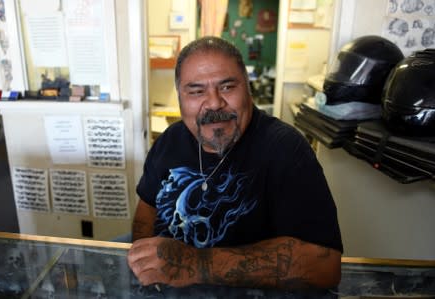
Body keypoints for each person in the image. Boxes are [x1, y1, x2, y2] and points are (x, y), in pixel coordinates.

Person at [127, 36, 342, 290]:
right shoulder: (170, 139)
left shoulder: (285, 149)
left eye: (228, 87)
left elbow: (324, 266)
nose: (215, 102)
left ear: (248, 89)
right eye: (196, 91)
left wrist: (194, 264)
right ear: (180, 98)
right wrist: (142, 266)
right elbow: (147, 207)